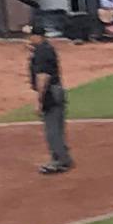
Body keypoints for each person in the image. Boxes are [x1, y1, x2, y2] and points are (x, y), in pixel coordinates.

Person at [29, 24, 72, 176]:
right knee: (57, 126)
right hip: (57, 90)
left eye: (30, 36)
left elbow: (43, 76)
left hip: (50, 92)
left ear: (36, 36)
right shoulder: (46, 48)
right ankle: (63, 156)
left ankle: (60, 161)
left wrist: (39, 101)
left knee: (52, 129)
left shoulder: (41, 52)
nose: (28, 39)